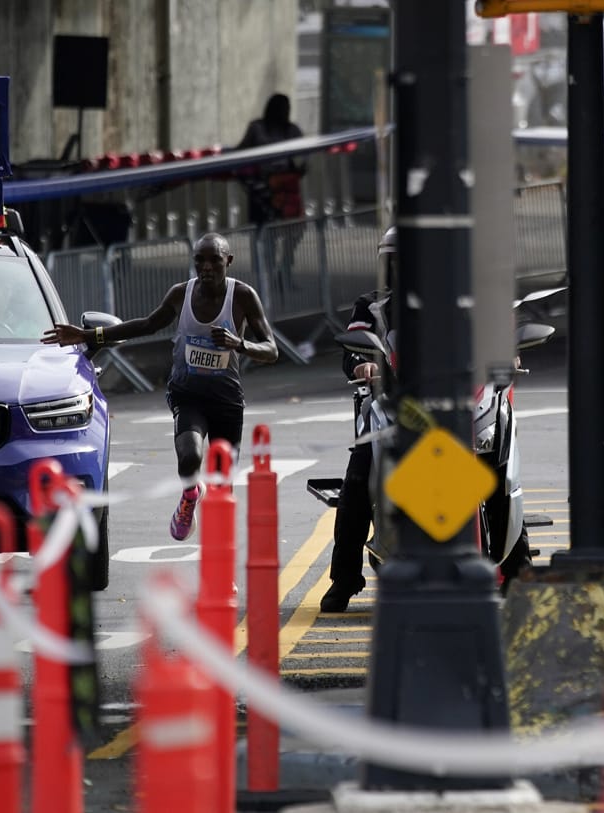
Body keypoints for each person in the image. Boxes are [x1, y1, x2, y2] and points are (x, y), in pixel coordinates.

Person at [42, 233, 279, 540]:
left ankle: (221, 569)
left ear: (228, 262)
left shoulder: (243, 296)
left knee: (222, 485)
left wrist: (240, 344)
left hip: (227, 401)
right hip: (188, 395)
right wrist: (90, 336)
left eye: (214, 261)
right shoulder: (181, 294)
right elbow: (146, 324)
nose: (206, 267)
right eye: (199, 261)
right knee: (189, 458)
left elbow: (272, 350)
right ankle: (190, 495)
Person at [321, 227, 397, 613]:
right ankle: (344, 579)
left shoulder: (453, 300)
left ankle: (517, 568)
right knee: (357, 485)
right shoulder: (370, 305)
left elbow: (486, 338)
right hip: (387, 410)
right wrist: (363, 363)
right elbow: (351, 350)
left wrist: (505, 356)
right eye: (396, 259)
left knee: (494, 467)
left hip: (447, 413)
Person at [236, 93, 307, 295]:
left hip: (286, 188)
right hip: (263, 188)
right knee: (264, 235)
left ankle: (284, 271)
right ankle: (263, 280)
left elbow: (301, 159)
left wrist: (299, 168)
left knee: (294, 231)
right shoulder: (258, 129)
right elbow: (241, 151)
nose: (286, 112)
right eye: (282, 107)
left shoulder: (292, 131)